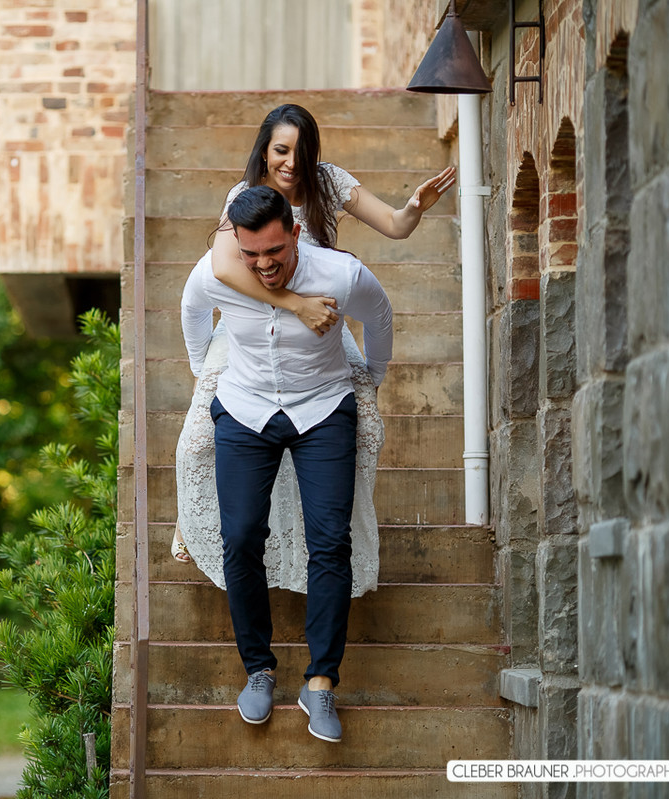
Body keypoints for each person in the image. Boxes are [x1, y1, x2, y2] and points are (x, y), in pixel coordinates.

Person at [172, 104, 455, 598]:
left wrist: (413, 206)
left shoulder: (327, 183)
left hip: (321, 331)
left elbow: (394, 225)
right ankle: (197, 525)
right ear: (265, 149)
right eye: (281, 150)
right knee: (198, 437)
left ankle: (337, 537)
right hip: (250, 328)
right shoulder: (246, 195)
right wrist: (293, 304)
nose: (290, 163)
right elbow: (220, 267)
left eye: (300, 153)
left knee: (366, 428)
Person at [180, 185, 394, 742]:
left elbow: (381, 315)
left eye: (274, 251)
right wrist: (206, 368)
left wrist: (371, 375)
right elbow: (193, 312)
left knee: (330, 541)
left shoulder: (341, 275)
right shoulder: (218, 270)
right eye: (251, 255)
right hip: (246, 409)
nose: (264, 264)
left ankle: (321, 682)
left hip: (323, 409)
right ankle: (258, 669)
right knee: (242, 535)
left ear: (295, 233)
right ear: (236, 244)